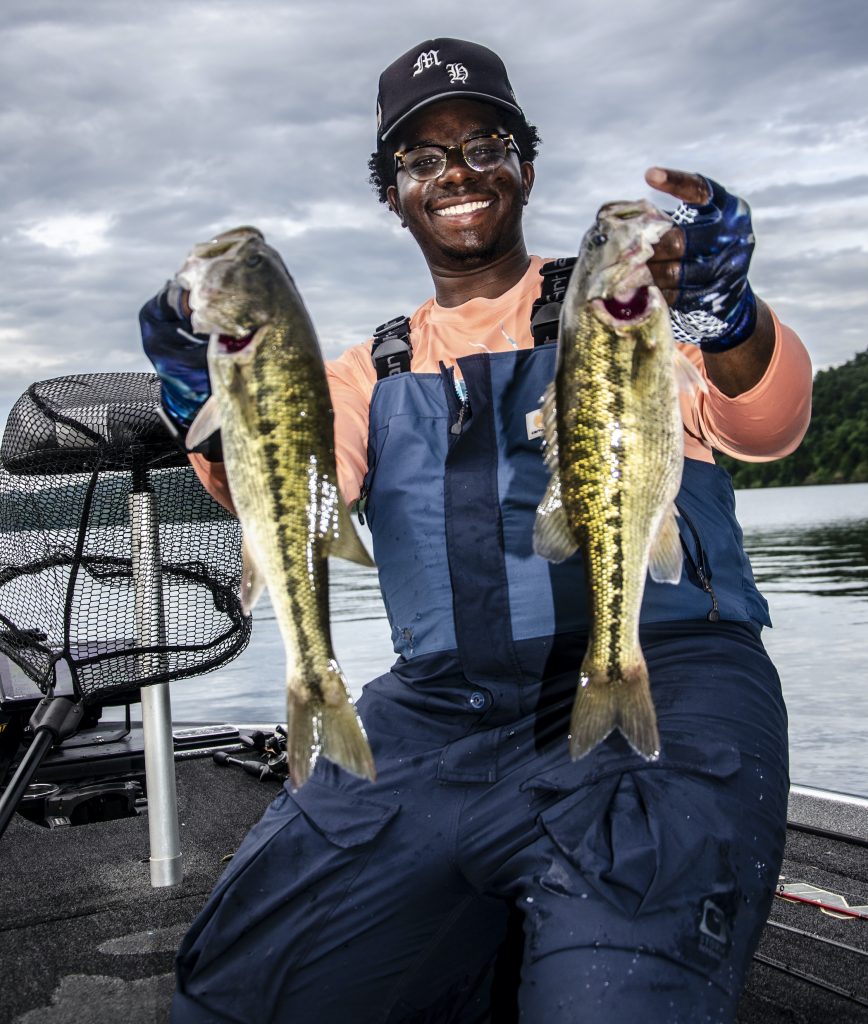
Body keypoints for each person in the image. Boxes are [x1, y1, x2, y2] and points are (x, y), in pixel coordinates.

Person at [141, 37, 812, 1024]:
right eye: (421, 157)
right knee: (237, 998)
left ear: (523, 165)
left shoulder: (627, 306)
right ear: (394, 191)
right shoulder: (367, 369)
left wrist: (726, 316)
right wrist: (204, 395)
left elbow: (765, 422)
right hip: (435, 719)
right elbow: (297, 498)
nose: (456, 172)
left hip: (669, 682)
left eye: (483, 143)